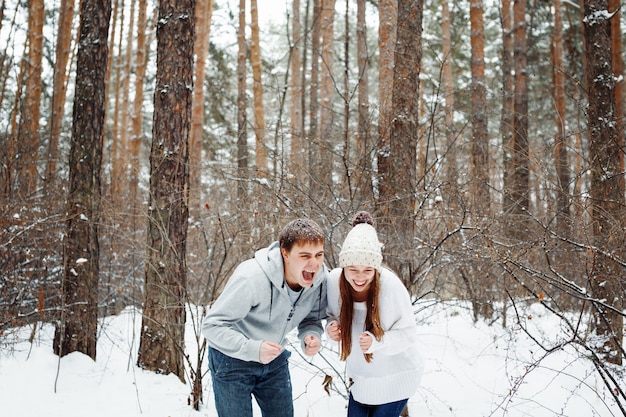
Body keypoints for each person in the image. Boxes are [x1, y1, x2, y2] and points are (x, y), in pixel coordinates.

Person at [201, 218, 328, 417]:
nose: (314, 264)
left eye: (319, 255)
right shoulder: (251, 277)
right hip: (232, 359)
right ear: (285, 253)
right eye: (304, 256)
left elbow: (311, 317)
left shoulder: (319, 280)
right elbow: (212, 326)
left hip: (274, 358)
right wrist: (253, 349)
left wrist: (311, 334)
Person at [326, 211, 424, 417]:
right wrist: (331, 328)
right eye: (353, 269)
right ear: (343, 266)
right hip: (361, 379)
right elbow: (331, 315)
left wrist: (378, 341)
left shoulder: (391, 287)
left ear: (376, 269)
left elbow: (408, 334)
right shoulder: (334, 282)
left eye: (367, 270)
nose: (360, 278)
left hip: (396, 378)